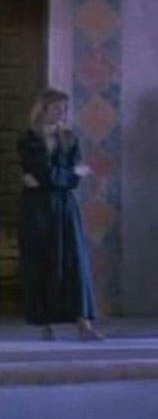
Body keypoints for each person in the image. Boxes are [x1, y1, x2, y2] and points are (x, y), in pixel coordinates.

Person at [17, 88, 102, 340]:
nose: (62, 114)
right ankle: (45, 323)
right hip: (37, 208)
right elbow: (48, 172)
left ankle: (84, 324)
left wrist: (67, 176)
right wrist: (71, 174)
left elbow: (65, 178)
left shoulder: (70, 138)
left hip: (65, 206)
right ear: (43, 110)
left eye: (64, 109)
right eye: (57, 109)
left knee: (75, 262)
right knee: (41, 260)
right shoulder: (29, 140)